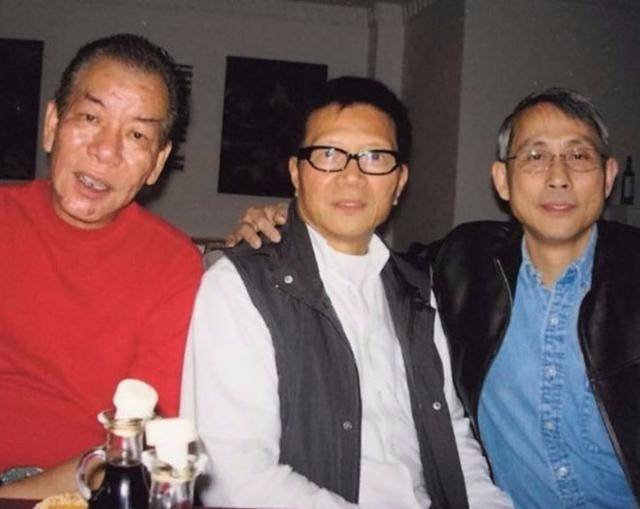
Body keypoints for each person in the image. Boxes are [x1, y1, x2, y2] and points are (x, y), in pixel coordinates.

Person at [231, 88, 640, 508]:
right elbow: (359, 257)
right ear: (502, 179)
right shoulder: (463, 264)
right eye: (535, 156)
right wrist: (293, 219)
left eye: (578, 155)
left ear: (608, 176)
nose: (558, 177)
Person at [181, 76, 511, 509]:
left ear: (399, 181)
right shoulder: (240, 287)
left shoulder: (417, 289)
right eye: (329, 155)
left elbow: (449, 432)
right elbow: (234, 478)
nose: (351, 176)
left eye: (375, 157)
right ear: (296, 173)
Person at [0, 34, 203, 498]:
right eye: (90, 118)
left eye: (136, 135)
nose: (106, 151)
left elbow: (132, 444)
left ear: (157, 163)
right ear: (52, 124)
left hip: (73, 494)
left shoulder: (173, 266)